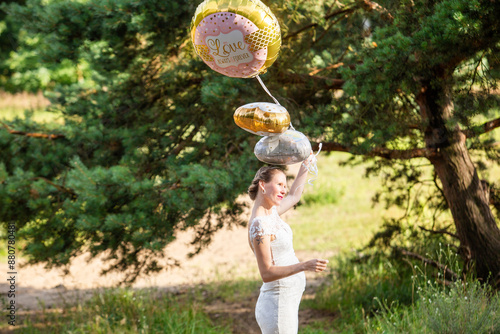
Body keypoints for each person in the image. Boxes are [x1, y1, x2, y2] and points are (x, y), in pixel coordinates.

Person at [247, 156, 329, 334]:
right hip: (277, 308)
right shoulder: (260, 224)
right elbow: (267, 272)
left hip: (286, 304)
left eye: (285, 185)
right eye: (279, 185)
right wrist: (305, 265)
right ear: (263, 185)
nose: (284, 190)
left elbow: (294, 195)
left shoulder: (271, 214)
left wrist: (305, 165)